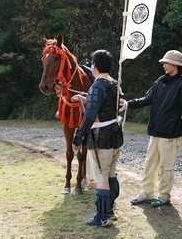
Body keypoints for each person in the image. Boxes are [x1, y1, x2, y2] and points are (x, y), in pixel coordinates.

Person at [120, 50, 182, 207]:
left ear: (175, 65)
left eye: (166, 63)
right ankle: (147, 193)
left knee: (166, 167)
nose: (163, 65)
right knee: (150, 164)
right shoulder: (160, 81)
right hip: (155, 131)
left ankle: (164, 196)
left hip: (171, 133)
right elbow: (147, 99)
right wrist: (128, 103)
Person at [72, 49, 123, 227]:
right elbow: (106, 103)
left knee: (102, 179)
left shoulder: (97, 86)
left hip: (101, 140)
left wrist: (78, 136)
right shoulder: (114, 84)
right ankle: (110, 212)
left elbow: (90, 115)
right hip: (115, 137)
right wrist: (86, 98)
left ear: (94, 65)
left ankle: (102, 217)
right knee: (111, 175)